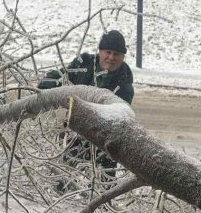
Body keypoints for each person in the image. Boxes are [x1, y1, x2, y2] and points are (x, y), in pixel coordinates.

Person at [38, 30, 134, 185]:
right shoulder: (84, 64)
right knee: (61, 181)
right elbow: (62, 76)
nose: (111, 57)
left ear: (122, 57)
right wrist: (47, 85)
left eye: (116, 54)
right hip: (75, 133)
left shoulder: (125, 86)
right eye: (107, 52)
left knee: (103, 188)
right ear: (100, 51)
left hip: (104, 142)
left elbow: (115, 118)